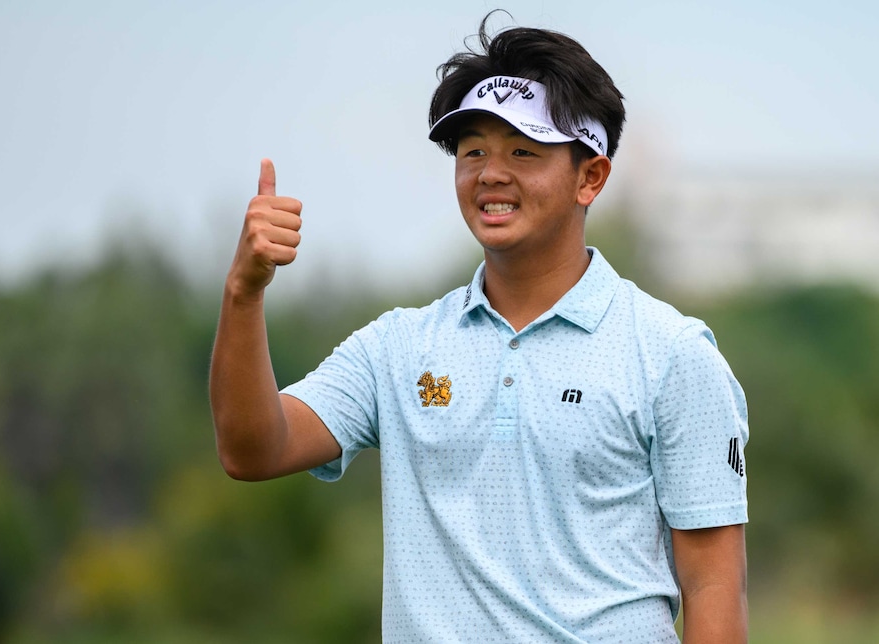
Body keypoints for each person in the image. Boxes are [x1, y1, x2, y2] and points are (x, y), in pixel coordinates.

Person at [209, 13, 748, 643]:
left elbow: (714, 585)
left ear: (591, 177)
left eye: (524, 151)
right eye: (473, 153)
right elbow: (253, 450)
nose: (491, 173)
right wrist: (244, 293)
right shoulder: (398, 347)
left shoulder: (672, 354)